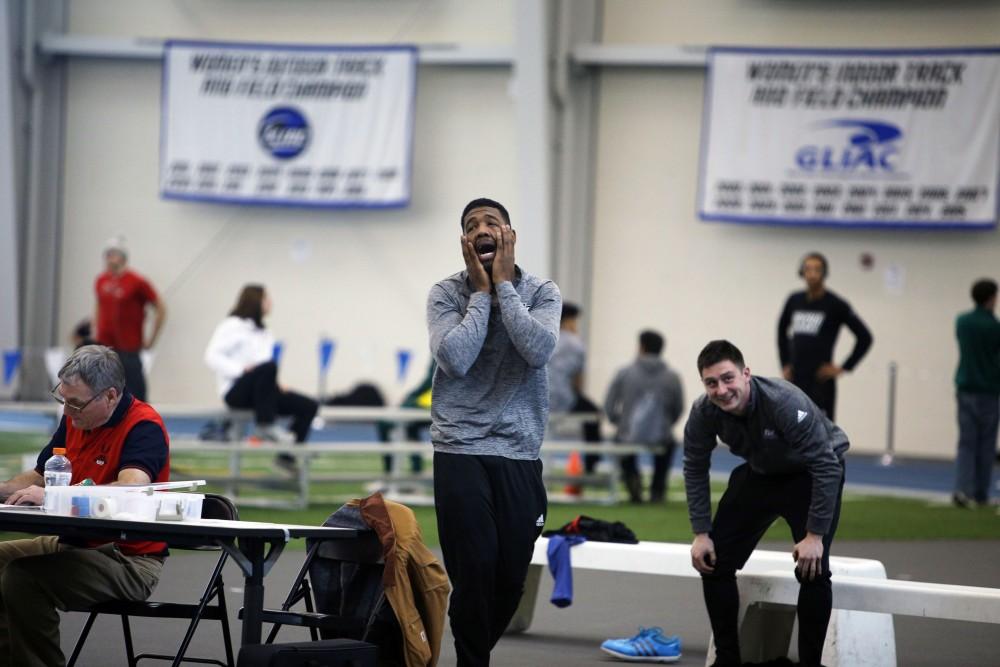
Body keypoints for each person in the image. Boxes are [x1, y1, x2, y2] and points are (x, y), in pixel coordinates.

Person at [428, 197, 560, 666]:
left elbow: (537, 349)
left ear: (509, 235)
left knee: (509, 579)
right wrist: (481, 295)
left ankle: (474, 651)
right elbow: (456, 357)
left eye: (490, 222)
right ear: (464, 242)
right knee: (476, 567)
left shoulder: (543, 292)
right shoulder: (446, 293)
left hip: (520, 452)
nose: (480, 228)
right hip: (460, 447)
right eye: (470, 225)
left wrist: (504, 286)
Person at [0, 345, 169, 667]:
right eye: (62, 399)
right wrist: (4, 490)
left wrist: (51, 496)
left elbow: (131, 487)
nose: (67, 411)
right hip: (73, 543)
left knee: (22, 578)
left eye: (76, 403)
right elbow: (40, 476)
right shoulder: (75, 419)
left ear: (110, 395)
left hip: (128, 558)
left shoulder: (143, 426)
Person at [684, 340, 848, 667]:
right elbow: (694, 465)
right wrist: (701, 532)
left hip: (810, 474)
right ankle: (727, 661)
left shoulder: (784, 402)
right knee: (712, 560)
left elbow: (826, 465)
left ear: (746, 374)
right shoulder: (704, 411)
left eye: (728, 378)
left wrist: (814, 536)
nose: (721, 389)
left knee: (813, 570)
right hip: (761, 472)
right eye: (711, 382)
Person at [203, 284, 319, 470]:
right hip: (236, 392)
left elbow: (265, 369)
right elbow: (211, 356)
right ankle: (265, 425)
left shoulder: (266, 333)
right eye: (267, 298)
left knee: (309, 405)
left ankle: (286, 457)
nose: (271, 302)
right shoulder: (232, 326)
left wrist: (277, 384)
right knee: (269, 367)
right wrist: (241, 370)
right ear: (256, 301)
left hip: (261, 395)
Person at [777, 252, 872, 421]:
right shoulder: (794, 300)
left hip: (820, 381)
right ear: (802, 272)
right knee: (792, 428)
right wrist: (785, 363)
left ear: (824, 273)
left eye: (817, 269)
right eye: (808, 269)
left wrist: (843, 367)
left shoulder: (835, 304)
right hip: (796, 378)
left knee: (822, 432)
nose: (812, 274)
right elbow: (781, 331)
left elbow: (865, 337)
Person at [605, 330, 684, 504]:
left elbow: (609, 405)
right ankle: (657, 488)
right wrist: (666, 424)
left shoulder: (624, 373)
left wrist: (618, 421)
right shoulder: (672, 377)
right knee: (669, 444)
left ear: (641, 347)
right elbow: (679, 408)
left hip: (628, 434)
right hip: (661, 435)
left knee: (620, 441)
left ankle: (633, 484)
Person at [93, 237, 167, 401]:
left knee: (136, 398)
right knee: (103, 396)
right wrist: (95, 331)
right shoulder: (101, 281)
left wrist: (151, 339)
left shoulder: (137, 282)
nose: (110, 258)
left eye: (114, 254)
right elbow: (99, 306)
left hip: (128, 350)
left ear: (123, 258)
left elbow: (161, 309)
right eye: (108, 254)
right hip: (105, 349)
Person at [952, 278, 1000, 508]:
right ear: (991, 297)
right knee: (986, 444)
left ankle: (962, 489)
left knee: (966, 442)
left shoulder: (962, 322)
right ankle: (981, 492)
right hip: (989, 389)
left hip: (966, 387)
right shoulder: (994, 326)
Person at [546, 302, 602, 479]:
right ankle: (592, 465)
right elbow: (578, 381)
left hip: (538, 398)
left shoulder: (545, 337)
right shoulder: (576, 344)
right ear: (570, 321)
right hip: (564, 398)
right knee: (594, 413)